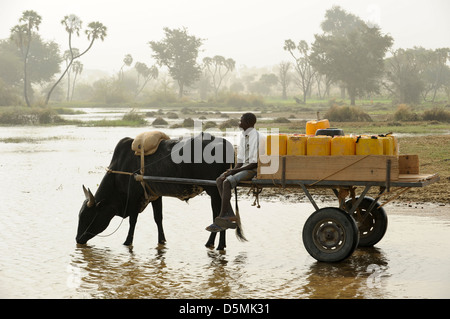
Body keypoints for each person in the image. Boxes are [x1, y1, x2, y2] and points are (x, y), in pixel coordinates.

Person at [206, 112, 265, 232]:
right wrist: (232, 170)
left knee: (227, 182)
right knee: (219, 179)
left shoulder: (256, 137)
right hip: (244, 167)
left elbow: (254, 163)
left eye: (241, 121)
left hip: (253, 170)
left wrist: (235, 171)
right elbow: (241, 159)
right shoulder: (243, 136)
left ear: (248, 123)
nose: (239, 123)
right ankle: (230, 213)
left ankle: (222, 215)